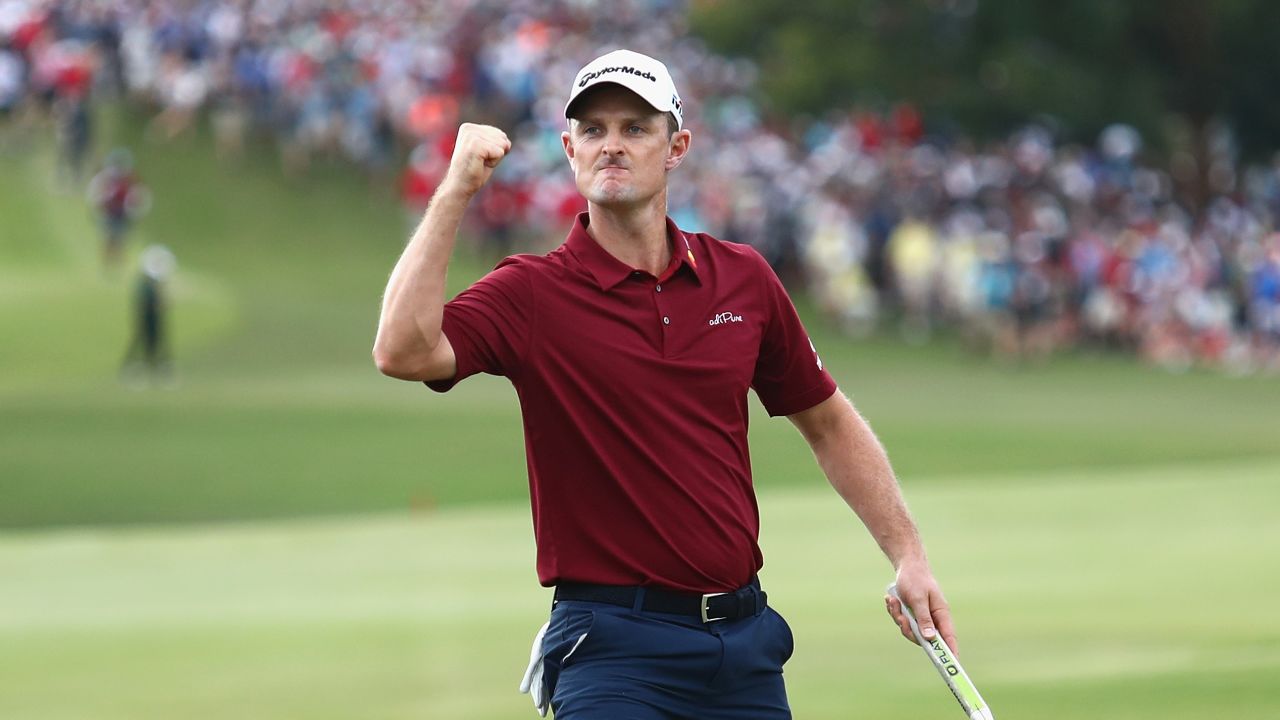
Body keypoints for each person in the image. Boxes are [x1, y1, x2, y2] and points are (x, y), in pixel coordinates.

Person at [374, 49, 959, 719]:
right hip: (612, 651)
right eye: (593, 131)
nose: (611, 146)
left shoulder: (743, 279)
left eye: (635, 128)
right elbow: (402, 350)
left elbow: (826, 421)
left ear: (675, 146)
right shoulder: (533, 292)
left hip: (745, 650)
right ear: (570, 149)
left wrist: (909, 555)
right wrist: (455, 190)